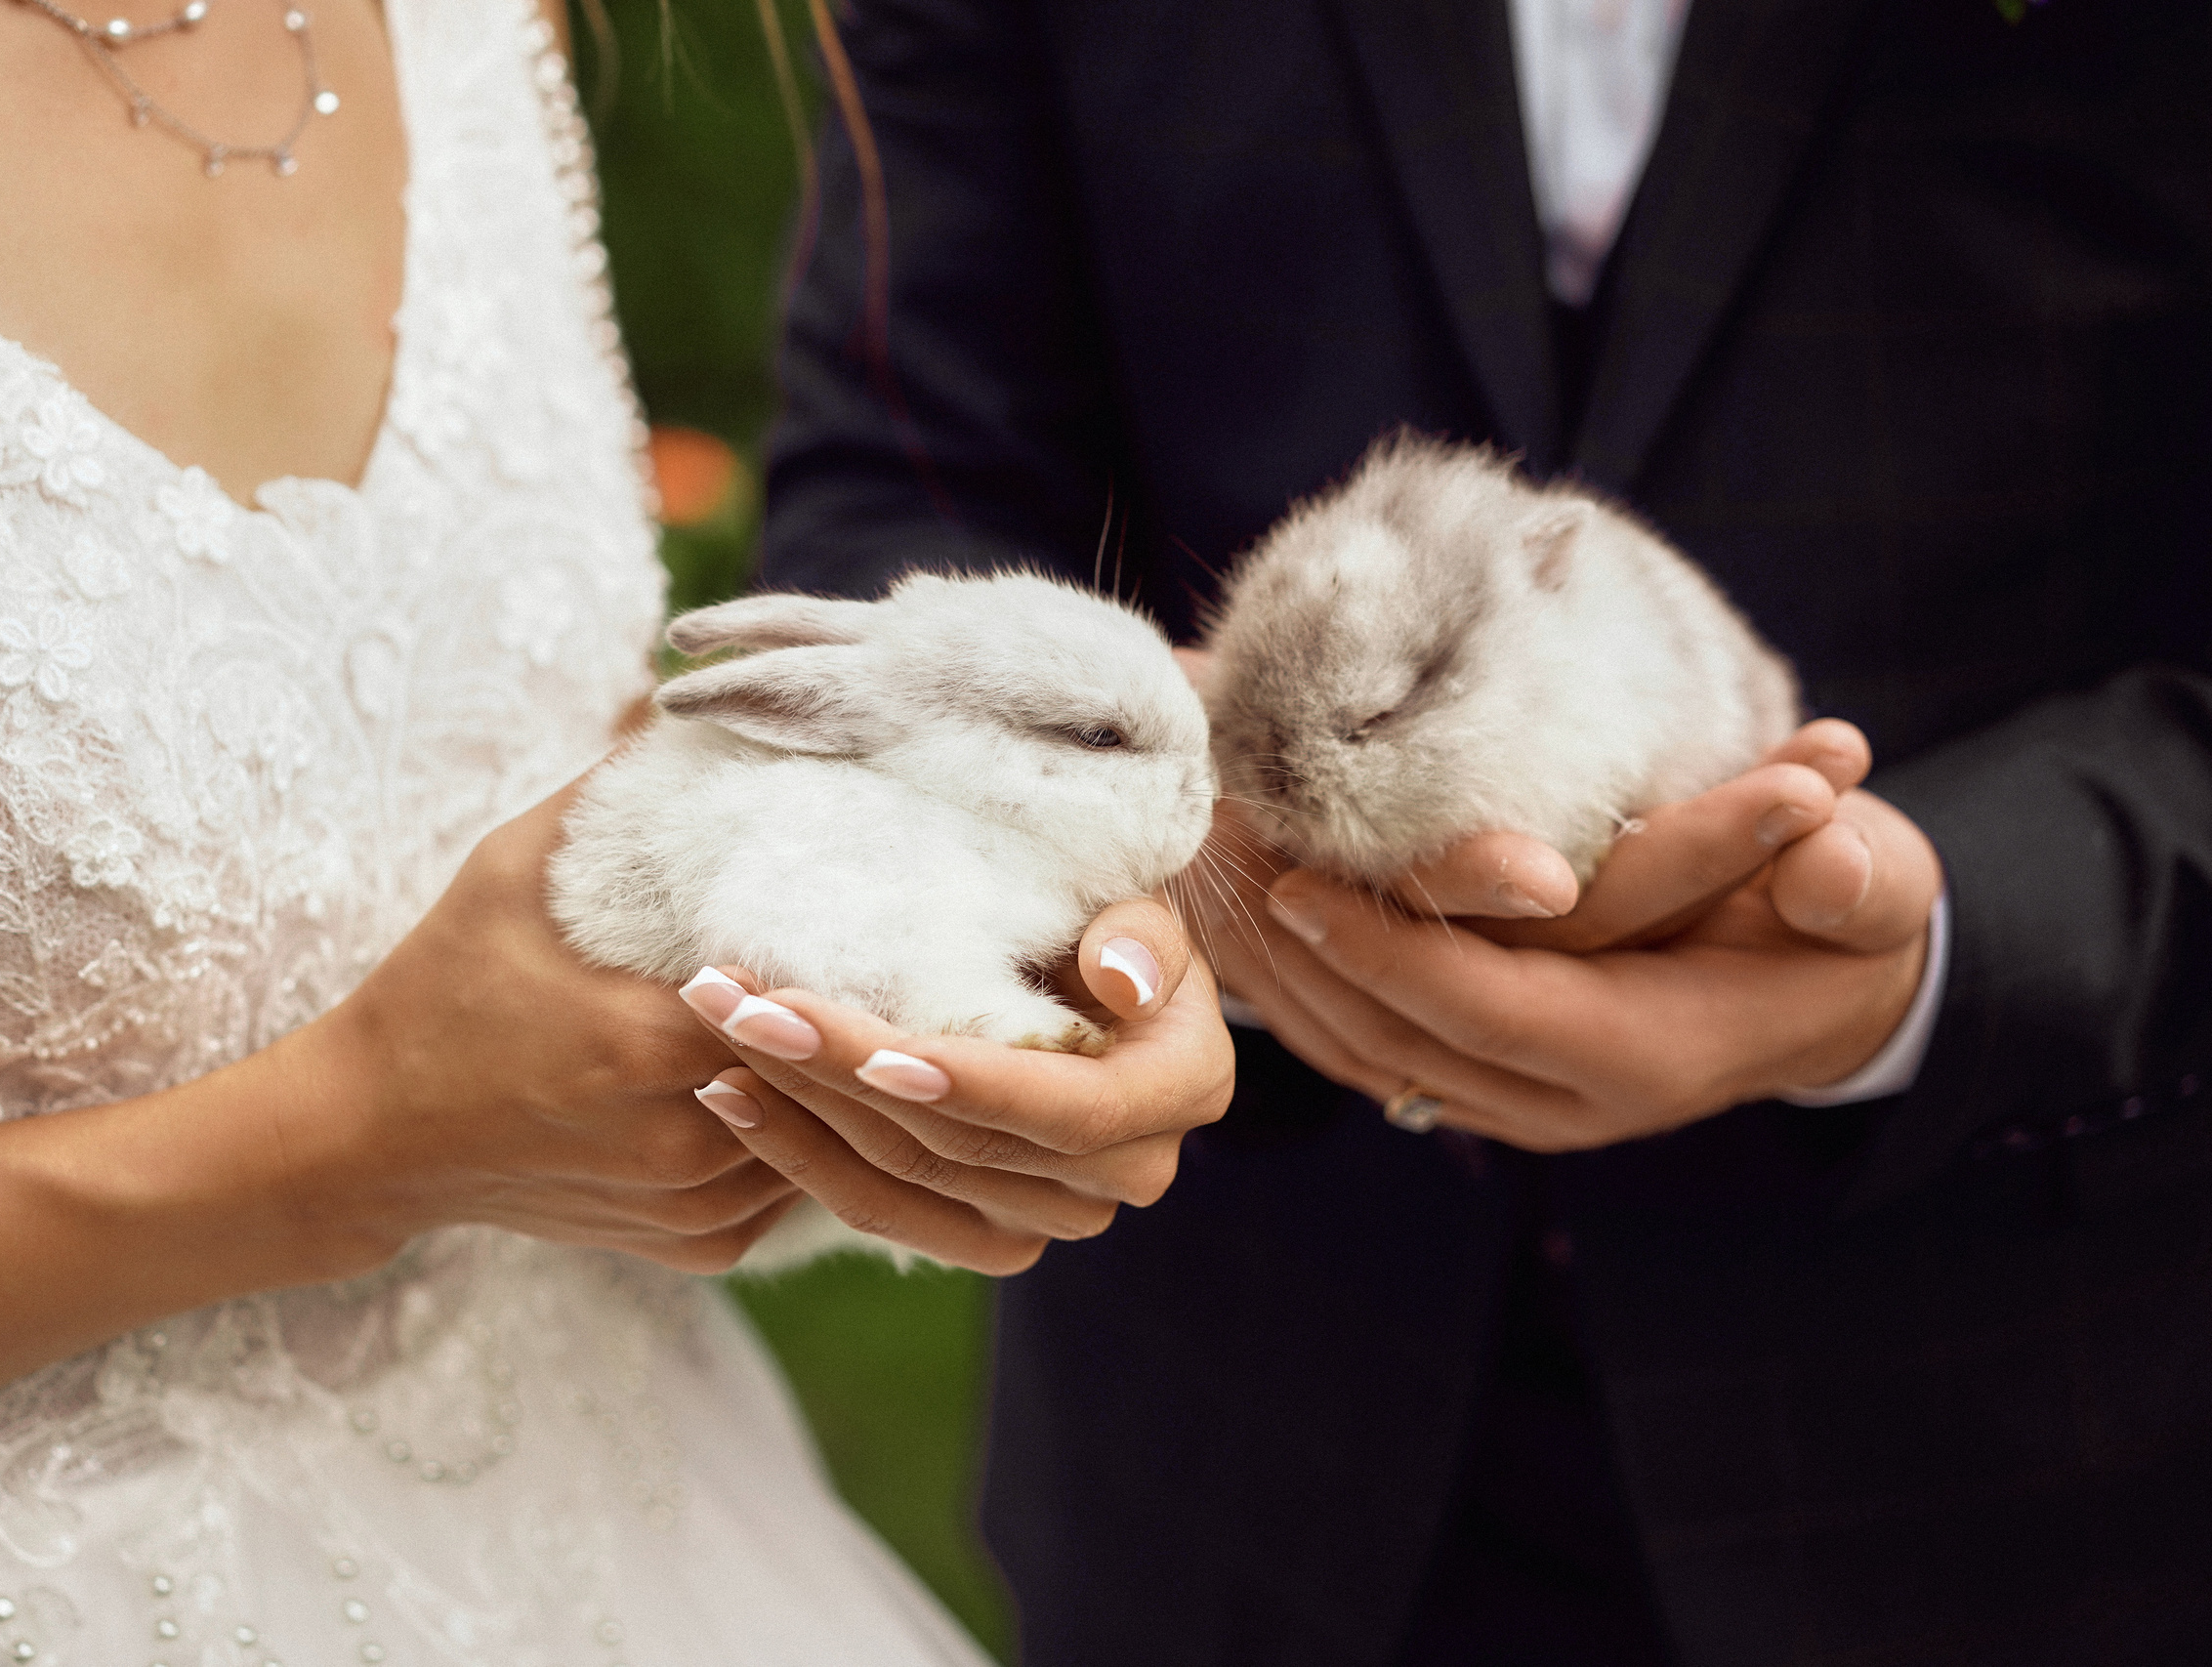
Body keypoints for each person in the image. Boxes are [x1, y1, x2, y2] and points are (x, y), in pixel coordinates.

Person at [0, 1, 1231, 1661]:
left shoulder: (478, 25)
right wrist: (349, 1143)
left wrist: (946, 974)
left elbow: (546, 758)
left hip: (622, 1516)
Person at [760, 0, 2212, 1661]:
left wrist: (1960, 938)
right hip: (1238, 1438)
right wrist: (1155, 855)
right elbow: (902, 468)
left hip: (2017, 1445)